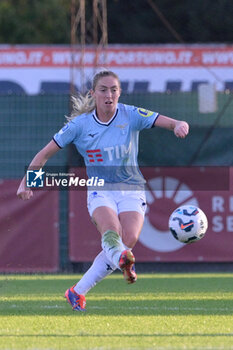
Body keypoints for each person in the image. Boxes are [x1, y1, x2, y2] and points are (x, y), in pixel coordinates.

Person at [17, 70, 189, 312]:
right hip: (100, 190)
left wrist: (179, 124)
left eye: (114, 90)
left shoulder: (131, 114)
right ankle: (121, 260)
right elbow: (45, 154)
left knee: (127, 240)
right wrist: (29, 180)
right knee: (112, 231)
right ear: (93, 94)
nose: (109, 95)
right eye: (104, 90)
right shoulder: (79, 125)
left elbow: (168, 121)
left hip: (131, 188)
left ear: (119, 93)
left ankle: (77, 292)